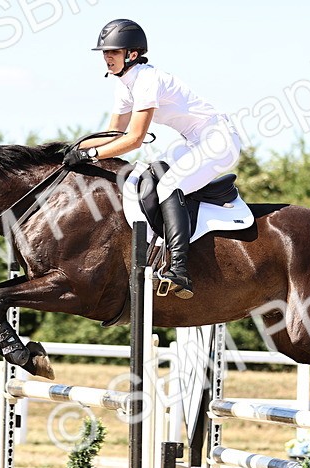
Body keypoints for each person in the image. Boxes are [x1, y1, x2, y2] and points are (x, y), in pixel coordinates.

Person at [63, 18, 241, 299]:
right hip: (193, 141)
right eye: (105, 52)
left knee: (169, 185)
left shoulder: (147, 80)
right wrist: (71, 149)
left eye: (113, 51)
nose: (107, 57)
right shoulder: (124, 85)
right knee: (146, 173)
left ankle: (180, 269)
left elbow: (133, 139)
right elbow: (112, 134)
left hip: (218, 140)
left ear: (132, 54)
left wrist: (91, 154)